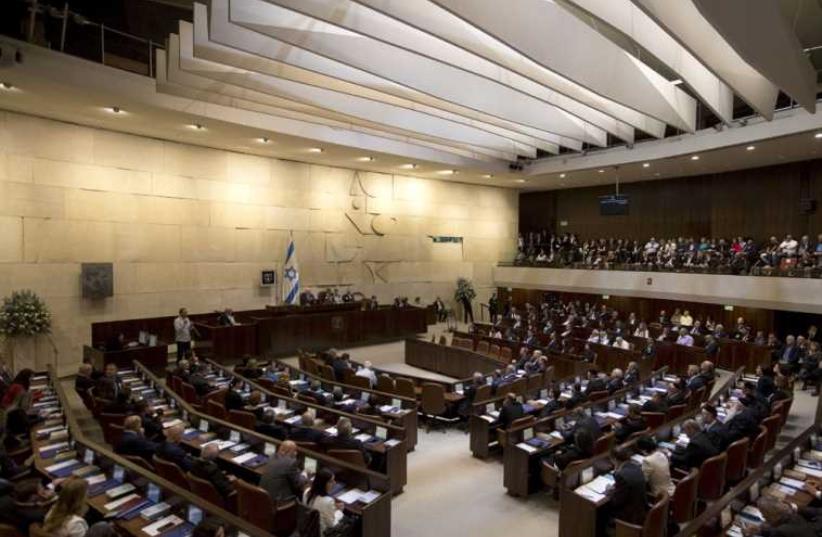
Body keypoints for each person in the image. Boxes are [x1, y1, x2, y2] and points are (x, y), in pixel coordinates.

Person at [607, 446, 647, 526]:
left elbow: (616, 502)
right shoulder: (636, 467)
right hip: (641, 510)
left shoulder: (621, 476)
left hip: (629, 516)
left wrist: (609, 491)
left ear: (614, 459)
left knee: (603, 511)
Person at [748, 497, 818, 537]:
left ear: (773, 515)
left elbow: (779, 532)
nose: (763, 516)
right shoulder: (795, 517)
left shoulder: (781, 531)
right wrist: (760, 531)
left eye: (764, 514)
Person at [304, 468, 343, 534]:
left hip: (309, 531)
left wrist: (333, 508)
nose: (335, 483)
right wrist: (340, 511)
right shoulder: (328, 501)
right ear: (323, 483)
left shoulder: (306, 492)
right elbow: (332, 524)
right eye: (331, 481)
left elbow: (320, 509)